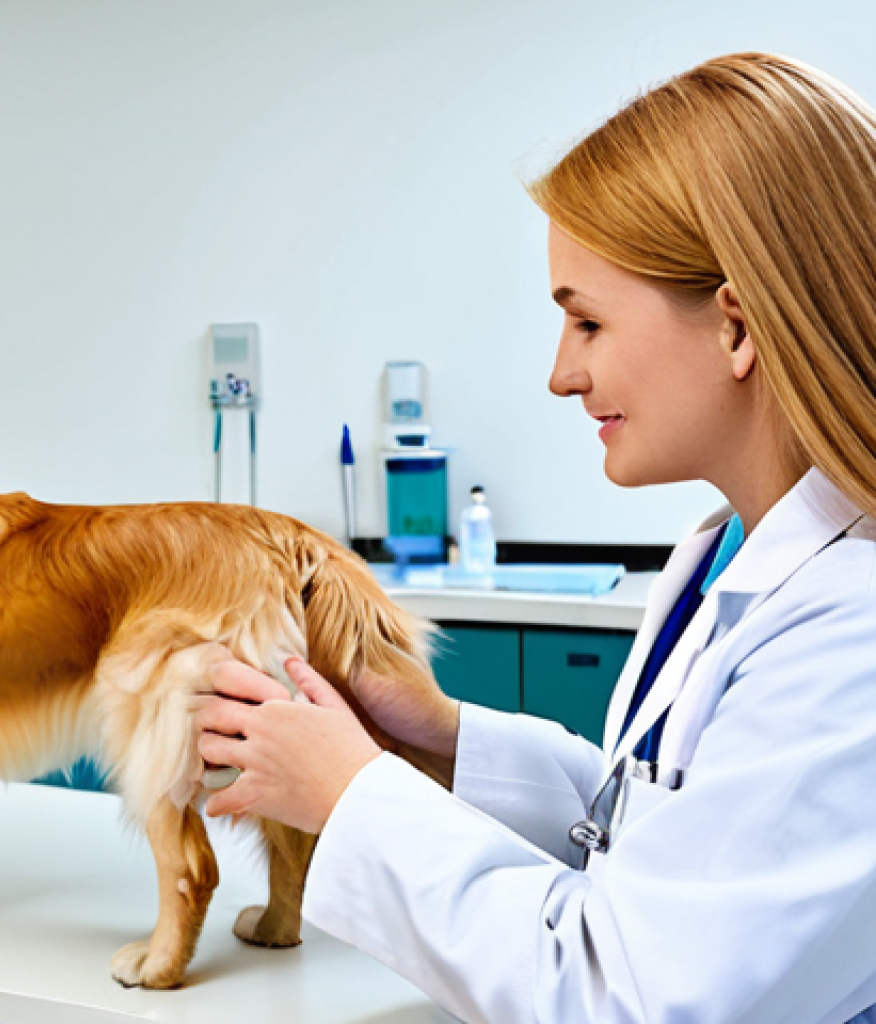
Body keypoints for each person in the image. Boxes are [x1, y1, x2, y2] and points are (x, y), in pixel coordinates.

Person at [196, 52, 876, 1023]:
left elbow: (624, 996)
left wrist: (347, 793)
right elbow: (652, 828)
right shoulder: (725, 555)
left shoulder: (851, 631)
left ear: (735, 327)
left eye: (587, 323)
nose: (562, 375)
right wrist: (440, 739)